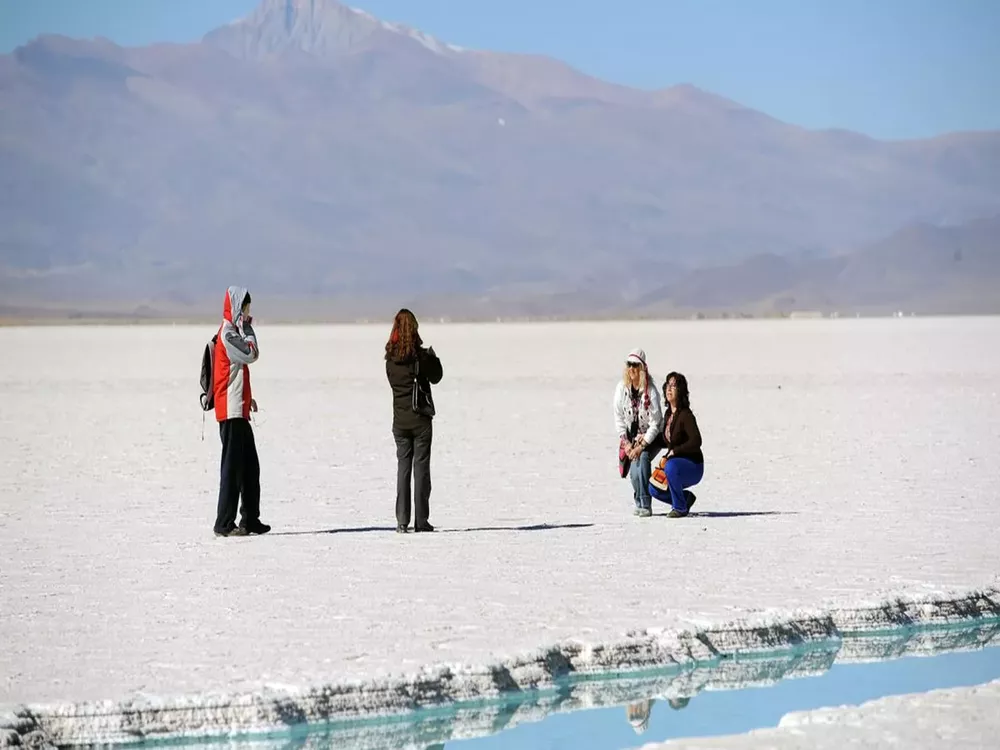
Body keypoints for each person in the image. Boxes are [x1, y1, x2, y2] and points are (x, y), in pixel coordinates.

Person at [212, 286, 270, 537]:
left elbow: (236, 373)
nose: (249, 312)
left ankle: (250, 519)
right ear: (238, 307)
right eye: (246, 307)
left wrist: (249, 400)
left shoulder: (232, 332)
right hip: (231, 411)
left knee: (250, 467)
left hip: (239, 408)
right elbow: (251, 354)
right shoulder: (229, 334)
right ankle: (224, 523)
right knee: (232, 469)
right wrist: (247, 327)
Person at [385, 309, 443, 533]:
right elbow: (437, 376)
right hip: (420, 420)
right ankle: (421, 520)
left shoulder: (390, 360)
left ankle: (402, 520)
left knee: (403, 470)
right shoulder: (420, 357)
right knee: (421, 470)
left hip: (399, 422)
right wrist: (432, 358)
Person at [613, 348, 663, 517]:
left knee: (642, 459)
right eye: (629, 365)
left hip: (652, 436)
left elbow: (656, 423)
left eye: (635, 365)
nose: (632, 369)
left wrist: (641, 446)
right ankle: (638, 501)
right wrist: (626, 443)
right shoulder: (622, 388)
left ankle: (645, 503)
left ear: (642, 368)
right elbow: (618, 417)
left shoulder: (651, 391)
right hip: (632, 437)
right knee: (634, 470)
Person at [654, 371, 704, 518]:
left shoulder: (686, 415)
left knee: (670, 467)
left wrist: (675, 451)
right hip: (674, 464)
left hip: (693, 465)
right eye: (667, 385)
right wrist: (644, 443)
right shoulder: (669, 414)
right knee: (654, 488)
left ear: (680, 390)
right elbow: (666, 440)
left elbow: (696, 441)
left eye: (674, 386)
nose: (669, 389)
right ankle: (685, 498)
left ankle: (680, 507)